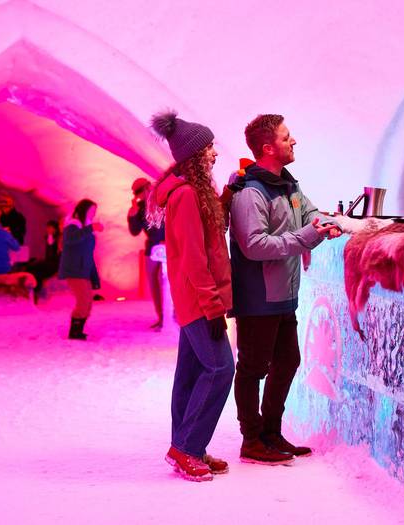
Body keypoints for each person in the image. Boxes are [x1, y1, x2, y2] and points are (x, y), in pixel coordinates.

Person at [229, 114, 341, 465]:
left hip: (284, 296)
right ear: (268, 148)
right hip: (258, 297)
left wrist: (325, 222)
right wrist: (308, 237)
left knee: (288, 360)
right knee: (252, 368)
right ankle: (251, 438)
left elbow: (308, 212)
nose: (294, 142)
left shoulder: (289, 184)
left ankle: (271, 432)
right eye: (287, 137)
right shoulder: (251, 193)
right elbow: (254, 245)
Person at [148, 110, 234, 482]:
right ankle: (185, 448)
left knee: (191, 372)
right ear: (195, 155)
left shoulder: (197, 192)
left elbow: (211, 237)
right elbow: (194, 258)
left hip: (197, 299)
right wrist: (213, 306)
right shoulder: (184, 196)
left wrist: (229, 191)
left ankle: (189, 447)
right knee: (220, 368)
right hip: (198, 300)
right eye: (210, 147)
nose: (215, 152)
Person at [58, 199, 102, 340]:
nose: (94, 214)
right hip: (74, 269)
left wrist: (94, 277)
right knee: (83, 301)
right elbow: (71, 239)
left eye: (95, 211)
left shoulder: (86, 229)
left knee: (88, 302)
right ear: (84, 210)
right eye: (92, 211)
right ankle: (74, 332)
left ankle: (78, 330)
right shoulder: (73, 225)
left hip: (84, 270)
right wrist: (90, 228)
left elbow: (89, 255)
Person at [127, 177, 166, 329]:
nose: (140, 194)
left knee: (167, 283)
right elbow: (134, 231)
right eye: (136, 192)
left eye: (140, 190)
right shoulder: (139, 207)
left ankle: (172, 316)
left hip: (168, 246)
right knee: (154, 283)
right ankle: (161, 317)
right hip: (152, 249)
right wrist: (132, 215)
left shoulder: (160, 198)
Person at [28, 220, 62, 302]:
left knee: (35, 269)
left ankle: (36, 292)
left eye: (50, 227)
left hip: (54, 264)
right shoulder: (48, 237)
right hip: (48, 262)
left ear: (55, 229)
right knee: (33, 269)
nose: (48, 229)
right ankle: (35, 291)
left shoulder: (58, 239)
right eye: (47, 227)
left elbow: (58, 254)